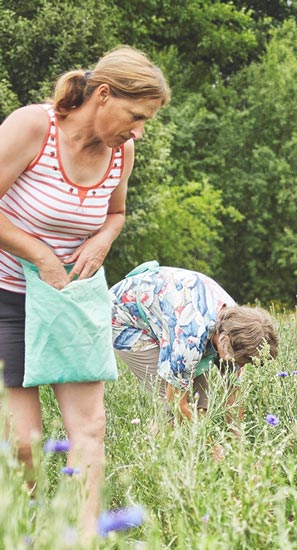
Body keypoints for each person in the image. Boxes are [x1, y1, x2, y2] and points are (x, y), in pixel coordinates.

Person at [0, 46, 170, 535]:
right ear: (102, 95)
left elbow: (115, 214)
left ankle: (82, 540)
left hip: (72, 301)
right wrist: (39, 253)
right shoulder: (35, 127)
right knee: (24, 442)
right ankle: (25, 534)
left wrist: (101, 239)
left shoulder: (123, 153)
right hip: (8, 297)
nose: (138, 131)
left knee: (89, 430)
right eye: (136, 117)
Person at [110, 262, 279, 429]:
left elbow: (233, 391)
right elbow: (176, 402)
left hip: (171, 313)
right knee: (170, 412)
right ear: (223, 339)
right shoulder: (190, 336)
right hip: (125, 317)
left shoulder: (237, 321)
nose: (240, 365)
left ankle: (198, 450)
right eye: (239, 361)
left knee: (200, 401)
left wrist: (236, 441)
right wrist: (212, 445)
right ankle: (153, 450)